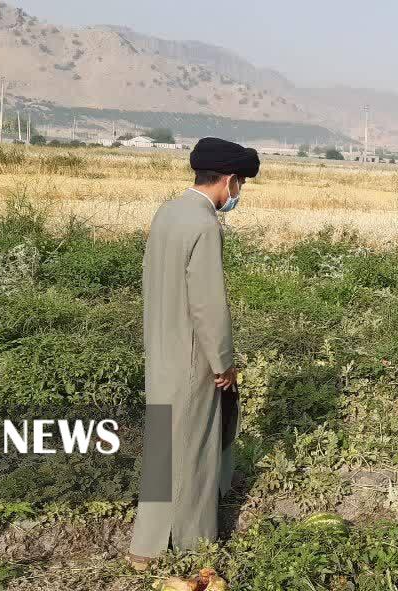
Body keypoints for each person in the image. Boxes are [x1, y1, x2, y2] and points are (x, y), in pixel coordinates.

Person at [127, 137, 257, 569]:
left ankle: (145, 547)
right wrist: (223, 362)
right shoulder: (204, 224)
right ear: (230, 180)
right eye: (240, 184)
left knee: (164, 445)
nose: (238, 193)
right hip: (191, 354)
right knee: (196, 449)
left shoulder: (167, 212)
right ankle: (193, 545)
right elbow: (207, 303)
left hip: (160, 347)